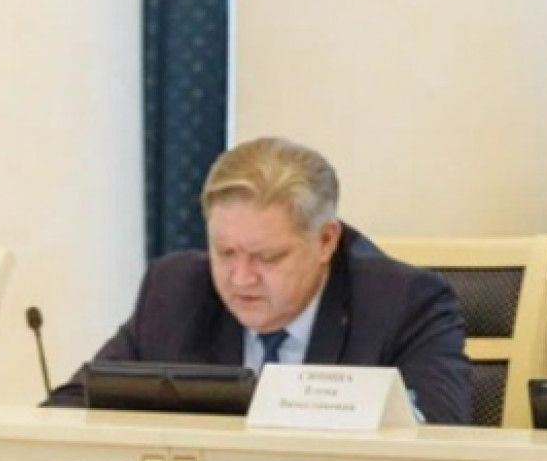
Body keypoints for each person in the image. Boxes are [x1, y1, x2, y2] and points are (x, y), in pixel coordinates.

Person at [49, 137, 473, 423]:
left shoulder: (403, 304)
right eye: (225, 252)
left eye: (266, 257)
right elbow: (70, 411)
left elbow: (440, 441)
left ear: (326, 241)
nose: (241, 278)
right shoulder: (175, 291)